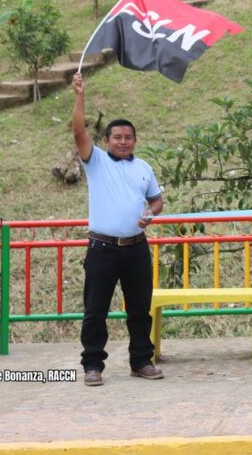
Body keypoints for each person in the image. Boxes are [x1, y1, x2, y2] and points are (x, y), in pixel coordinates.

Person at [71, 72, 164, 387]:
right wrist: (80, 94)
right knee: (95, 310)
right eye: (117, 137)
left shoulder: (143, 167)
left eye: (128, 137)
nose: (123, 142)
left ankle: (141, 361)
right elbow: (78, 131)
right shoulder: (95, 160)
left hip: (136, 248)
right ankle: (93, 365)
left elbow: (157, 201)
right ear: (107, 140)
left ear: (135, 140)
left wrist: (150, 214)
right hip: (102, 249)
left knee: (140, 310)